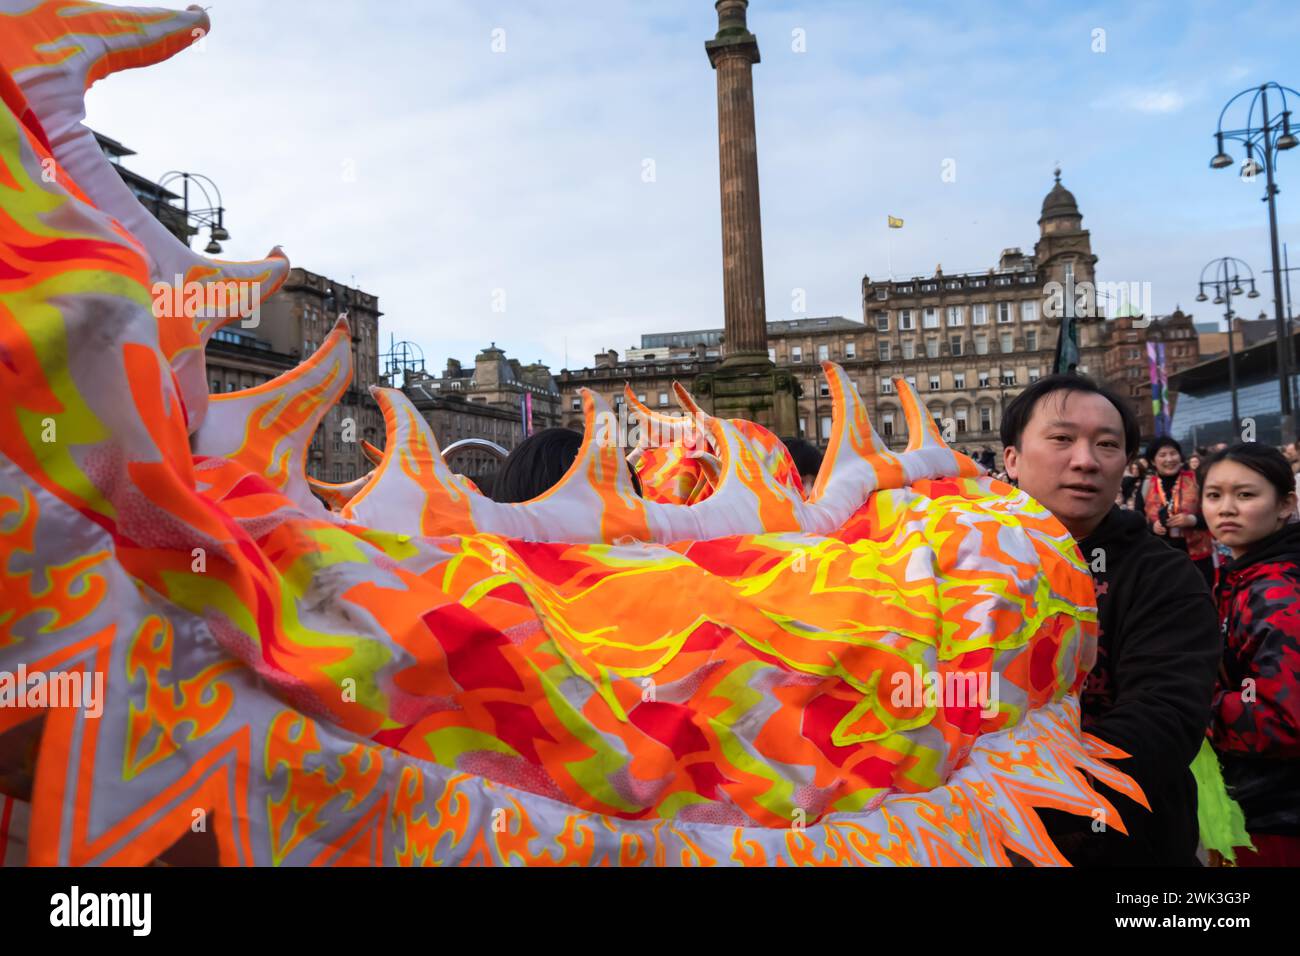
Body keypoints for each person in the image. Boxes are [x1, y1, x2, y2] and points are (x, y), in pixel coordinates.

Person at [1000, 374, 1220, 866]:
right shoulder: (956, 563)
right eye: (1061, 439)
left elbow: (1164, 717)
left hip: (1127, 847)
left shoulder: (1163, 576)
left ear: (1124, 463)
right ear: (1011, 459)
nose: (1085, 460)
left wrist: (1016, 803)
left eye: (1107, 444)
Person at [1200, 443, 1300, 865]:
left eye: (1246, 495)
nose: (1226, 508)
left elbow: (1285, 722)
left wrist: (1193, 702)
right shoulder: (1243, 573)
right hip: (1241, 802)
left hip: (1273, 814)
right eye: (1214, 495)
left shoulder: (1278, 592)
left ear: (1285, 505)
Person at [1139, 436, 1214, 585]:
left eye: (1173, 453)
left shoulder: (1197, 480)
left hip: (1197, 555)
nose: (1169, 459)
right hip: (1160, 557)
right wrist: (1151, 527)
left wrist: (1192, 520)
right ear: (1153, 461)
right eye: (1162, 455)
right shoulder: (1146, 485)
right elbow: (1138, 519)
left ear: (1180, 456)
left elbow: (1215, 514)